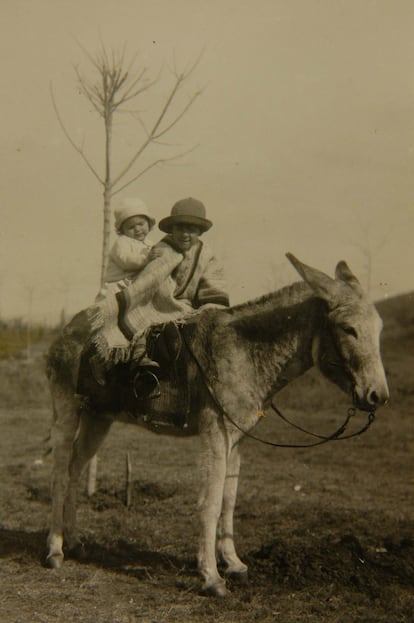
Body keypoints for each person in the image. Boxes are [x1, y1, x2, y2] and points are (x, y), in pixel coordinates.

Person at [89, 197, 229, 397]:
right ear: (172, 229)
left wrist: (209, 306)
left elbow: (214, 284)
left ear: (200, 231)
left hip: (192, 310)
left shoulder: (206, 254)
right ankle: (143, 379)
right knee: (150, 335)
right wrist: (170, 301)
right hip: (159, 305)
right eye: (180, 228)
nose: (185, 234)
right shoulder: (162, 249)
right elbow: (149, 280)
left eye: (192, 229)